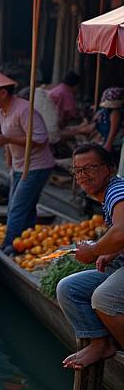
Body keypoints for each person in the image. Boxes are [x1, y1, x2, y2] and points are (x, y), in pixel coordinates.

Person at [56, 143, 124, 370]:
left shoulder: (116, 191)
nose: (82, 176)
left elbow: (122, 231)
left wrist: (95, 250)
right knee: (68, 288)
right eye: (78, 170)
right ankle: (101, 343)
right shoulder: (110, 194)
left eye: (90, 168)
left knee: (104, 298)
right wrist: (111, 252)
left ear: (109, 168)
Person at [0, 70, 56, 252]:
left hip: (37, 166)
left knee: (16, 208)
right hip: (18, 166)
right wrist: (7, 153)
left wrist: (7, 140)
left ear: (3, 93)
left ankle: (8, 246)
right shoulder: (2, 111)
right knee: (26, 208)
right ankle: (25, 242)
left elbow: (41, 140)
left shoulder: (24, 110)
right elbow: (6, 136)